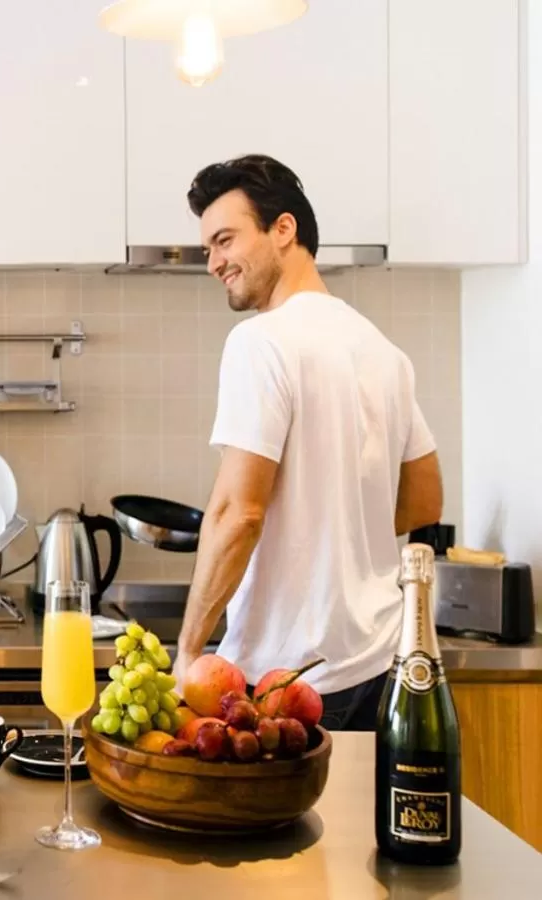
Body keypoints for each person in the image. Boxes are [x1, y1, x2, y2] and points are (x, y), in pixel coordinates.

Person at [171, 155, 444, 731]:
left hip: (287, 682)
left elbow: (236, 512)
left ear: (284, 229)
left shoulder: (261, 343)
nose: (214, 262)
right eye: (206, 250)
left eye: (225, 240)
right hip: (378, 663)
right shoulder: (383, 352)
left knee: (285, 826)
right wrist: (334, 528)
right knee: (363, 823)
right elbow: (425, 501)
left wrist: (189, 652)